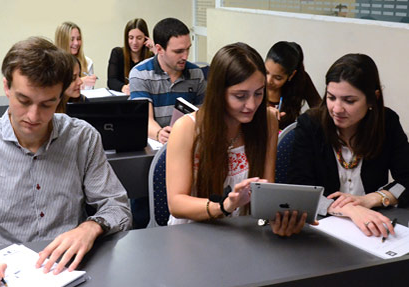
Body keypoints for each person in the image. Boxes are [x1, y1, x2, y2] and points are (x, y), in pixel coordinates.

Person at [0, 37, 131, 287]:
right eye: (23, 100)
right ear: (6, 86)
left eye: (48, 104)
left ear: (60, 96)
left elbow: (118, 207)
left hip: (75, 273)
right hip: (3, 281)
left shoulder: (81, 138)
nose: (33, 116)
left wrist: (91, 227)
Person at [166, 42, 306, 237]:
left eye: (258, 93)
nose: (251, 105)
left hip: (244, 232)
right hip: (192, 233)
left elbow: (266, 188)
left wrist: (279, 218)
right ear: (218, 93)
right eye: (240, 96)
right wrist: (224, 206)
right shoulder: (187, 129)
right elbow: (176, 203)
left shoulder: (268, 121)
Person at [288, 53, 409, 237]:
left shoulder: (387, 123)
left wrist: (371, 199)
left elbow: (407, 179)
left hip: (372, 229)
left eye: (349, 101)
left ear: (372, 99)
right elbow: (299, 192)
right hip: (321, 230)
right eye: (331, 97)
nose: (337, 109)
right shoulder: (310, 126)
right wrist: (351, 210)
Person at [130, 17, 206, 144]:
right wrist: (160, 134)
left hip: (188, 141)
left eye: (188, 49)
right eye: (178, 51)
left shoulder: (196, 74)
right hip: (157, 145)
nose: (185, 56)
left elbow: (202, 116)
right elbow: (145, 120)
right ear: (159, 49)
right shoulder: (140, 74)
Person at [265, 41, 321, 129]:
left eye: (278, 78)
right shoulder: (255, 79)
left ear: (291, 75)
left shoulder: (300, 81)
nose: (269, 81)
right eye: (266, 72)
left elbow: (319, 109)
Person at [107, 18, 154, 95]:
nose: (134, 42)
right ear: (127, 38)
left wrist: (155, 49)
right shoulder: (117, 53)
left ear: (145, 39)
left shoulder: (151, 57)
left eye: (139, 38)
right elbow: (111, 81)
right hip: (123, 100)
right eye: (131, 38)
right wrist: (123, 87)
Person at [55, 21, 97, 89]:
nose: (76, 43)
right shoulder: (52, 64)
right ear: (63, 41)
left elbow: (90, 91)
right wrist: (80, 82)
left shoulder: (87, 62)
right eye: (72, 39)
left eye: (78, 39)